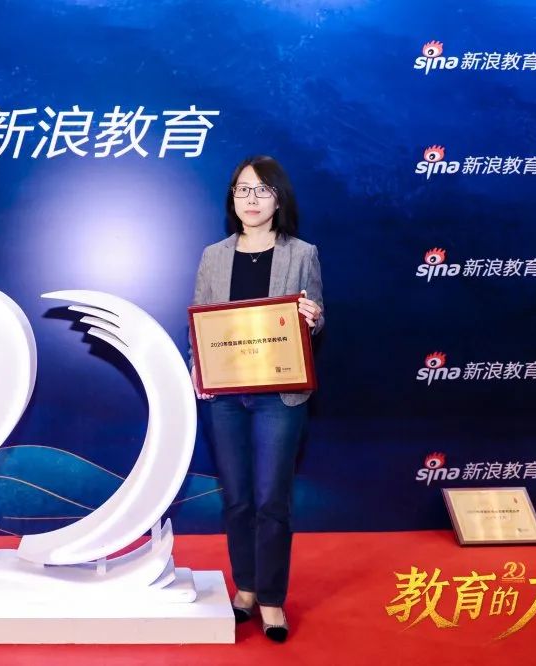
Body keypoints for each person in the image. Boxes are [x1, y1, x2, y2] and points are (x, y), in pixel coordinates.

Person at [189, 155, 324, 643]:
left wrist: (312, 317)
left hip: (278, 397)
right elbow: (200, 323)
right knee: (238, 499)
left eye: (262, 190)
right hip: (226, 397)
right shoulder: (213, 256)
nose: (251, 199)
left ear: (278, 198)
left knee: (271, 500)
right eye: (243, 189)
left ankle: (271, 599)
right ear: (233, 197)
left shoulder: (302, 253)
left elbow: (316, 316)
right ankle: (244, 588)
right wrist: (198, 368)